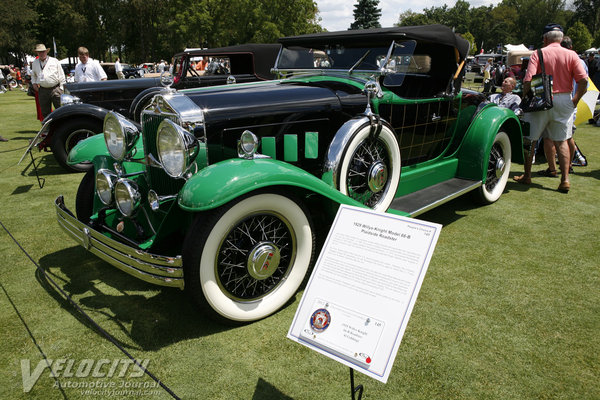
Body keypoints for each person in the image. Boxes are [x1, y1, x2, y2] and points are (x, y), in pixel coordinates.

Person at [513, 24, 587, 193]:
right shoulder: (572, 54)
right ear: (560, 39)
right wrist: (574, 101)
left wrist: (526, 97)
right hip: (564, 99)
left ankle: (527, 175)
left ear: (545, 39)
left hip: (540, 99)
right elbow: (583, 81)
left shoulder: (537, 53)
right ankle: (565, 180)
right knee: (561, 141)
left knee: (531, 140)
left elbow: (527, 81)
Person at [539, 36, 587, 178]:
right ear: (571, 47)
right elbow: (584, 82)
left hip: (555, 99)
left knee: (550, 137)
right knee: (567, 137)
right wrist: (575, 101)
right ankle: (568, 168)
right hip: (569, 101)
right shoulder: (579, 60)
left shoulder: (550, 56)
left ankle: (553, 168)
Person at [31, 43, 66, 119]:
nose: (41, 53)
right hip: (42, 90)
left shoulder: (54, 61)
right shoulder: (35, 63)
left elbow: (62, 75)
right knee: (45, 112)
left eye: (43, 51)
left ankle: (62, 129)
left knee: (60, 110)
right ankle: (48, 130)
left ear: (46, 52)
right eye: (39, 52)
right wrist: (33, 83)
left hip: (56, 88)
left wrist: (61, 88)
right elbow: (33, 75)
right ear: (37, 53)